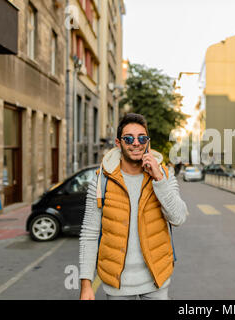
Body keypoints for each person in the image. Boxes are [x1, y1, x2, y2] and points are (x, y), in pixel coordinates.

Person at [79, 113, 188, 300]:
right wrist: (86, 284)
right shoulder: (101, 180)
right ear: (118, 143)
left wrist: (159, 179)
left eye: (141, 138)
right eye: (128, 138)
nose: (135, 143)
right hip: (117, 286)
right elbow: (89, 234)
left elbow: (178, 218)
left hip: (157, 282)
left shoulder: (164, 175)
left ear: (148, 142)